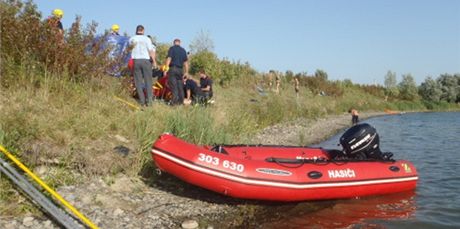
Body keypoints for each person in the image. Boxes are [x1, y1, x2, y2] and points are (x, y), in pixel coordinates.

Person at [129, 25, 157, 106]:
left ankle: (142, 101)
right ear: (143, 30)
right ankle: (149, 102)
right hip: (145, 61)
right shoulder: (147, 39)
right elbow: (151, 50)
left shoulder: (132, 39)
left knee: (138, 82)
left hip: (136, 61)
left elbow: (129, 49)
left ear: (136, 30)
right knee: (148, 82)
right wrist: (154, 61)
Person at [165, 39, 188, 105]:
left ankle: (173, 103)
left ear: (174, 43)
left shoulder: (172, 49)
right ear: (179, 43)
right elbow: (186, 62)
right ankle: (181, 102)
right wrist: (186, 72)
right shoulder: (183, 50)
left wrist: (166, 68)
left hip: (173, 69)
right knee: (180, 87)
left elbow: (169, 58)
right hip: (180, 70)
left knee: (173, 86)